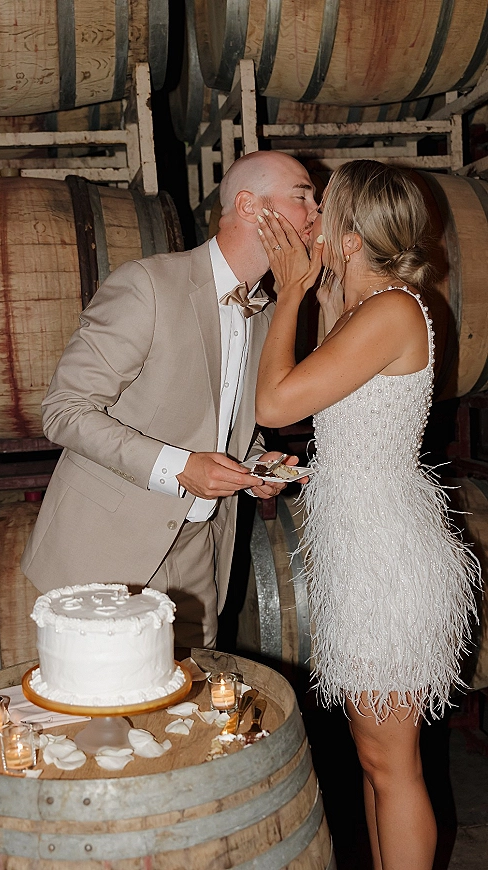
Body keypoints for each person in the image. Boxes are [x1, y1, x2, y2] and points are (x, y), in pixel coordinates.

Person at [255, 159, 479, 870]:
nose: (310, 221)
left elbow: (276, 405)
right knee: (373, 760)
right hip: (364, 550)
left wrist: (290, 291)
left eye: (325, 212)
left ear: (352, 240)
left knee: (392, 765)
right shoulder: (359, 307)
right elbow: (355, 430)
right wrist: (305, 469)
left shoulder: (390, 309)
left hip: (388, 561)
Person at [21, 150, 320, 649]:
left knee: (189, 717)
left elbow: (223, 419)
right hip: (106, 551)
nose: (315, 212)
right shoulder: (149, 285)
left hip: (201, 551)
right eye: (302, 197)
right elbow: (64, 410)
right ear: (249, 206)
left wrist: (252, 465)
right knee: (106, 717)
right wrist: (178, 467)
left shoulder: (267, 313)